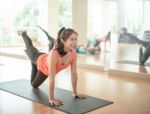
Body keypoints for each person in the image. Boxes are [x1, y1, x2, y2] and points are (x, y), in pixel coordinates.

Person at [17, 27, 86, 106]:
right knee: (29, 46)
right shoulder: (54, 53)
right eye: (71, 39)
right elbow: (52, 77)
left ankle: (32, 62)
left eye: (75, 39)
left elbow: (74, 74)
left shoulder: (73, 53)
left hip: (46, 62)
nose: (75, 42)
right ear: (63, 41)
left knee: (34, 85)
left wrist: (75, 92)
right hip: (38, 59)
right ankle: (23, 33)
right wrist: (51, 98)